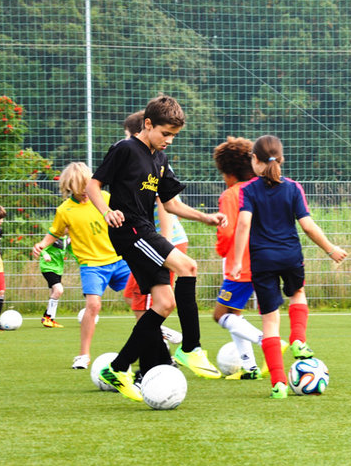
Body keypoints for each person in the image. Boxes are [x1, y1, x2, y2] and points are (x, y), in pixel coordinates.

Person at [87, 95, 227, 402]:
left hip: (144, 229)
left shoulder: (159, 160)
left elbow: (171, 203)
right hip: (130, 230)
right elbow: (93, 185)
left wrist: (205, 217)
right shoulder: (125, 149)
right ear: (147, 124)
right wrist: (106, 211)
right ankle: (191, 347)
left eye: (174, 136)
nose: (169, 141)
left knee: (164, 304)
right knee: (188, 266)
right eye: (165, 134)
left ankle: (118, 367)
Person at [230, 135, 347, 399]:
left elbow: (244, 225)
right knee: (297, 293)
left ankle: (279, 383)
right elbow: (307, 225)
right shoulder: (294, 188)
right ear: (281, 159)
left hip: (262, 261)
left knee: (270, 322)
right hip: (291, 257)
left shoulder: (248, 190)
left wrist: (237, 261)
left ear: (256, 161)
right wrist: (330, 249)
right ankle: (298, 340)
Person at [32, 163, 133, 369]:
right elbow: (55, 232)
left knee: (141, 296)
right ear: (69, 187)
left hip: (118, 259)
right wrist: (42, 244)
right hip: (92, 265)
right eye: (80, 189)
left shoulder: (104, 198)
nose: (85, 193)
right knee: (93, 305)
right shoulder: (65, 210)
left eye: (88, 187)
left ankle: (157, 334)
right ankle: (83, 355)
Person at [121, 110, 184, 346]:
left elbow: (165, 205)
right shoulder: (138, 158)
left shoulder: (153, 161)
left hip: (163, 241)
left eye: (128, 136)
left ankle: (158, 349)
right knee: (132, 295)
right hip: (152, 240)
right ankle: (159, 337)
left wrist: (163, 246)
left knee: (142, 300)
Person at [213, 136, 274, 380]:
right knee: (236, 314)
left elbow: (227, 231)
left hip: (241, 266)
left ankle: (267, 341)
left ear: (228, 172)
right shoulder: (262, 189)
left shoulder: (231, 194)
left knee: (220, 314)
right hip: (266, 260)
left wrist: (221, 249)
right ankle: (250, 368)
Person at [38, 235, 75, 328]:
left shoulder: (67, 239)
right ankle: (47, 317)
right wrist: (44, 254)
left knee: (54, 292)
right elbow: (41, 248)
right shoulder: (53, 236)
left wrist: (82, 261)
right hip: (48, 267)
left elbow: (72, 251)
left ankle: (50, 319)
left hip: (58, 269)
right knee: (59, 290)